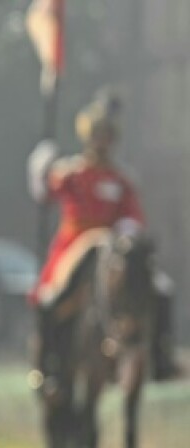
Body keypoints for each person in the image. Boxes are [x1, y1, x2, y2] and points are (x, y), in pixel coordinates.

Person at [28, 89, 179, 382]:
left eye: (107, 135)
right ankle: (47, 366)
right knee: (49, 299)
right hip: (73, 247)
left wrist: (126, 233)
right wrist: (42, 164)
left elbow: (134, 217)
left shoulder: (122, 180)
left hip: (111, 250)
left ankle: (161, 359)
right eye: (98, 134)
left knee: (161, 291)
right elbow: (45, 191)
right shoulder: (72, 173)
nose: (102, 141)